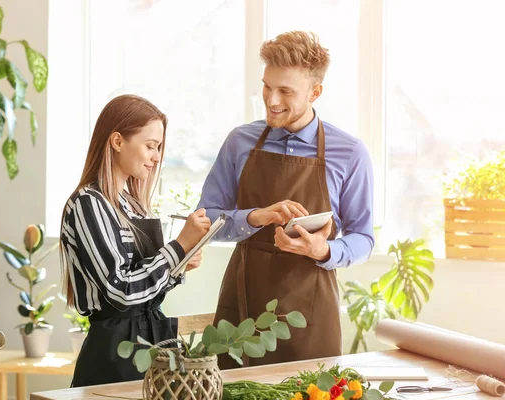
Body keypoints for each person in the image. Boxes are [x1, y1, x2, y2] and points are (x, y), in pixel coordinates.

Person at [197, 31, 374, 368]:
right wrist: (255, 217)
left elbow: (363, 237)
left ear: (315, 92)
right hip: (243, 303)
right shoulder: (240, 142)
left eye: (286, 91)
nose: (272, 100)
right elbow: (206, 221)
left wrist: (323, 250)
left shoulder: (350, 153)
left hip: (311, 311)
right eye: (267, 86)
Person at [60, 94, 211, 386]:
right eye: (151, 146)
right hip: (113, 355)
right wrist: (177, 248)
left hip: (152, 342)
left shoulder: (133, 205)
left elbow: (145, 293)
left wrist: (180, 265)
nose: (156, 158)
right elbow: (120, 291)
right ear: (117, 141)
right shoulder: (87, 204)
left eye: (159, 148)